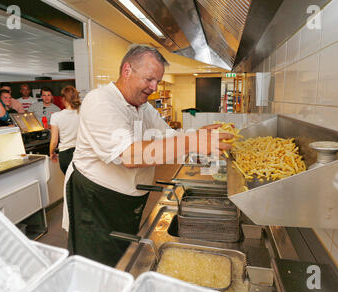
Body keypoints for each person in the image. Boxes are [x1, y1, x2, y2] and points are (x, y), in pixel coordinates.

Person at [65, 44, 233, 267]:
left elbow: (168, 136)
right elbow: (130, 156)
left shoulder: (142, 107)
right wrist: (191, 142)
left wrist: (197, 137)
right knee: (94, 267)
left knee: (122, 261)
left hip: (127, 202)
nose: (154, 87)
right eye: (149, 79)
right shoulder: (100, 102)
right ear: (127, 71)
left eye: (158, 81)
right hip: (95, 202)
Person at [49, 86, 80, 174]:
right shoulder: (83, 113)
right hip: (81, 152)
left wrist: (52, 153)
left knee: (69, 182)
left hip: (65, 154)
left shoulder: (56, 116)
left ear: (63, 99)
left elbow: (54, 141)